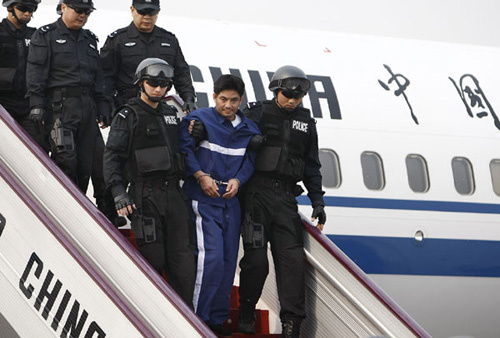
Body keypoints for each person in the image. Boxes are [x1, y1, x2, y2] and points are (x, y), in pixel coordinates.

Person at [237, 65, 327, 338]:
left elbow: (312, 165)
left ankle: (291, 326)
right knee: (256, 261)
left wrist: (318, 202)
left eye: (298, 97)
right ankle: (246, 312)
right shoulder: (257, 112)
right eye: (287, 95)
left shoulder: (306, 123)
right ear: (276, 90)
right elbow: (229, 137)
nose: (292, 100)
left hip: (286, 199)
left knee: (292, 264)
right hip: (255, 195)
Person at [103, 58, 195, 306]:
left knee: (184, 265)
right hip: (145, 196)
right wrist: (119, 193)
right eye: (153, 83)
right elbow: (112, 156)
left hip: (175, 196)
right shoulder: (127, 115)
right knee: (153, 262)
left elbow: (185, 148)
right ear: (141, 83)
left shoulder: (171, 114)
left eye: (164, 84)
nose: (158, 88)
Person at [179, 74, 260, 337]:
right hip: (203, 200)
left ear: (241, 101)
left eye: (234, 100)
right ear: (214, 97)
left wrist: (239, 180)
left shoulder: (249, 129)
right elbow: (184, 150)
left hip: (230, 203)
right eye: (223, 99)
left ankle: (217, 319)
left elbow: (249, 160)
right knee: (210, 258)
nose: (228, 105)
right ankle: (197, 318)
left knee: (227, 262)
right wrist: (200, 176)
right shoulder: (197, 120)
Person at [26, 0, 112, 193]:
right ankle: (65, 207)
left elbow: (98, 78)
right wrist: (36, 105)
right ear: (64, 7)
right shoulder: (45, 35)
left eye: (87, 12)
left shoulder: (89, 39)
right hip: (61, 108)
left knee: (91, 163)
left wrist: (104, 106)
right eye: (79, 10)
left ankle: (98, 213)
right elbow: (35, 73)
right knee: (66, 161)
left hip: (87, 107)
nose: (83, 16)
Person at [100, 0, 197, 112]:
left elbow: (181, 73)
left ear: (158, 12)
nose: (147, 17)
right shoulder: (118, 40)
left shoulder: (169, 40)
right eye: (142, 12)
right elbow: (105, 76)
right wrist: (106, 104)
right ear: (132, 10)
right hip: (127, 104)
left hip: (158, 105)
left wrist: (189, 98)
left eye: (151, 12)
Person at [0, 0, 45, 147]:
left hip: (29, 104)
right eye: (23, 8)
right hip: (3, 104)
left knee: (36, 149)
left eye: (32, 9)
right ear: (9, 7)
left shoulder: (37, 36)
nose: (27, 13)